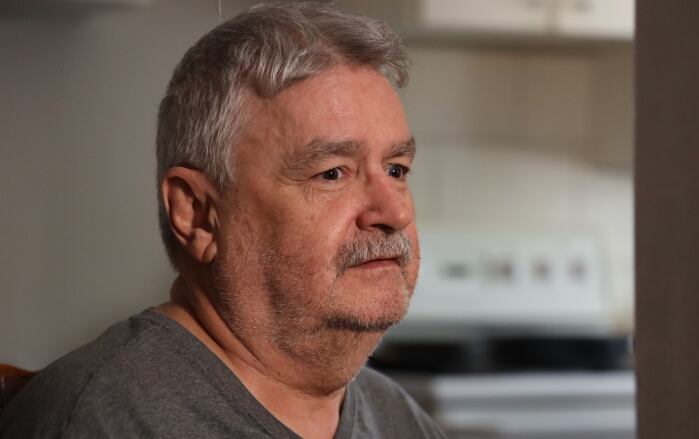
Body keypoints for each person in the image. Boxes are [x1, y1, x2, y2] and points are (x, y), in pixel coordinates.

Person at [0, 3, 446, 438]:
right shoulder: (100, 420)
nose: (395, 213)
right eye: (331, 173)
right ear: (195, 213)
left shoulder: (399, 418)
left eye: (396, 170)